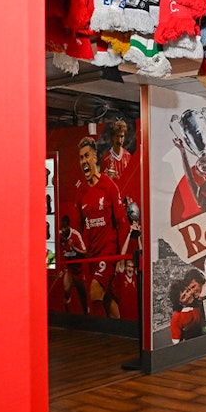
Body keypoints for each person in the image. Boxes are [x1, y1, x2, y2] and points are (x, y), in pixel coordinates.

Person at [76, 136, 134, 318]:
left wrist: (121, 257)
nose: (84, 161)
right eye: (81, 158)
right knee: (107, 299)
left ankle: (97, 338)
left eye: (87, 156)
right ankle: (117, 334)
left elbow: (122, 222)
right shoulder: (81, 191)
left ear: (95, 158)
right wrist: (83, 248)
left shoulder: (109, 186)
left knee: (95, 293)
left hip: (108, 252)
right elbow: (81, 224)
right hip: (92, 255)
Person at [57, 215, 89, 313]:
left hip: (78, 270)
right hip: (69, 269)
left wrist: (74, 248)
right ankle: (67, 311)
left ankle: (86, 314)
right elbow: (58, 251)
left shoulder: (76, 235)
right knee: (66, 289)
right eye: (62, 228)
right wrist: (60, 268)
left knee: (82, 294)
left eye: (65, 227)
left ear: (69, 226)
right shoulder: (59, 236)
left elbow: (85, 253)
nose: (63, 230)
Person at [169, 268, 206, 343]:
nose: (188, 295)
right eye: (183, 296)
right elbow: (176, 341)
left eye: (188, 291)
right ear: (179, 302)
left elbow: (205, 282)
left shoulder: (196, 304)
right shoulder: (177, 317)